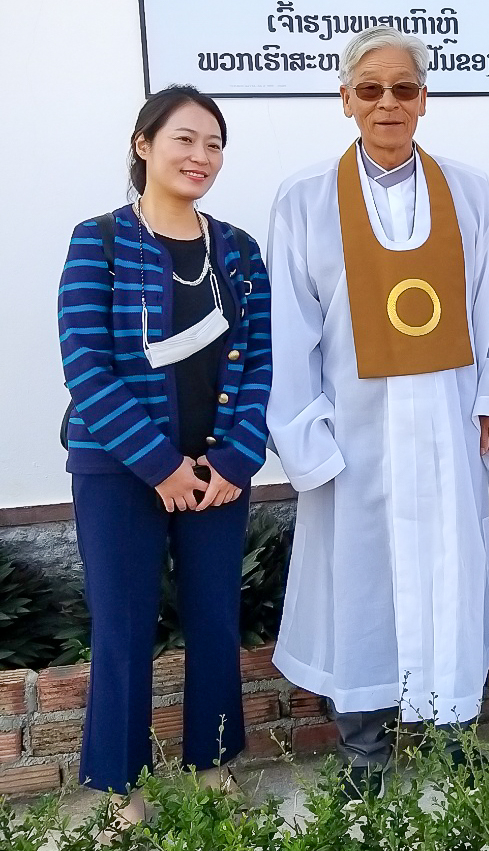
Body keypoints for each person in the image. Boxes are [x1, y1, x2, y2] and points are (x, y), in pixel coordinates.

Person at [267, 27, 489, 798]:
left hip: (446, 424)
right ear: (345, 99)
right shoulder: (306, 200)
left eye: (404, 88)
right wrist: (306, 435)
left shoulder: (470, 192)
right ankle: (365, 748)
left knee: (450, 575)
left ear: (424, 99)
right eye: (371, 89)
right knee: (360, 584)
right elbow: (289, 328)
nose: (389, 103)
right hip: (357, 430)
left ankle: (452, 733)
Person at [57, 86, 272, 826]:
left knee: (215, 619)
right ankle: (120, 789)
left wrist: (236, 461)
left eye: (214, 144)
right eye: (185, 139)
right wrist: (161, 466)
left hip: (217, 475)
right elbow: (86, 366)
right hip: (118, 470)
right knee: (123, 628)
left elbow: (261, 362)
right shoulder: (99, 242)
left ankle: (213, 766)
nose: (200, 156)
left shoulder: (237, 251)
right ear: (143, 144)